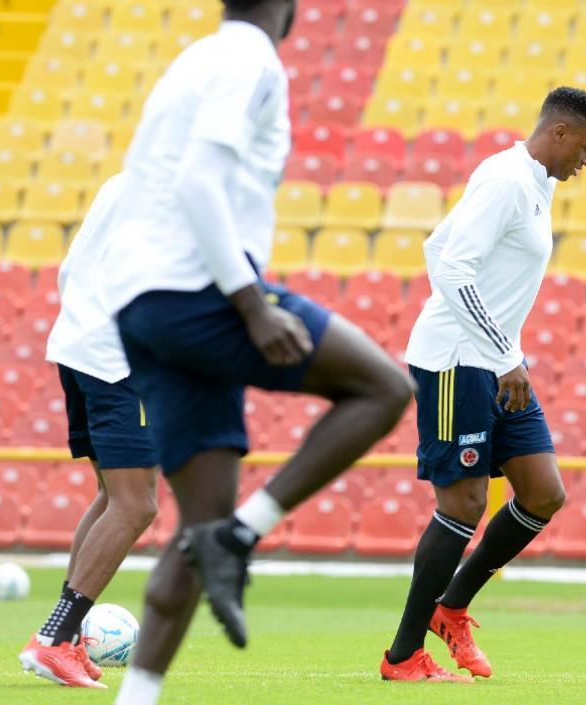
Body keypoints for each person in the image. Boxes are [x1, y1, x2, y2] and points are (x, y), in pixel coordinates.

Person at [97, 2, 414, 703]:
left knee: (198, 530)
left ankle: (139, 692)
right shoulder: (250, 58)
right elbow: (197, 181)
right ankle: (244, 535)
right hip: (197, 291)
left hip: (141, 305)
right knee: (384, 389)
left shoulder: (193, 60)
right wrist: (250, 304)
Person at [380, 86, 586, 683]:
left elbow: (437, 245)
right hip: (456, 362)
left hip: (498, 360)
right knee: (464, 504)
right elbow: (454, 268)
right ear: (559, 133)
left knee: (543, 493)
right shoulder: (506, 180)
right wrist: (502, 353)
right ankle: (402, 656)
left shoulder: (537, 184)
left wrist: (504, 352)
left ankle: (451, 608)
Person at [17, 173, 159, 689]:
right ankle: (55, 638)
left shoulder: (124, 181)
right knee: (137, 504)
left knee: (111, 495)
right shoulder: (183, 188)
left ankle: (68, 636)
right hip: (121, 359)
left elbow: (70, 268)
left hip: (78, 344)